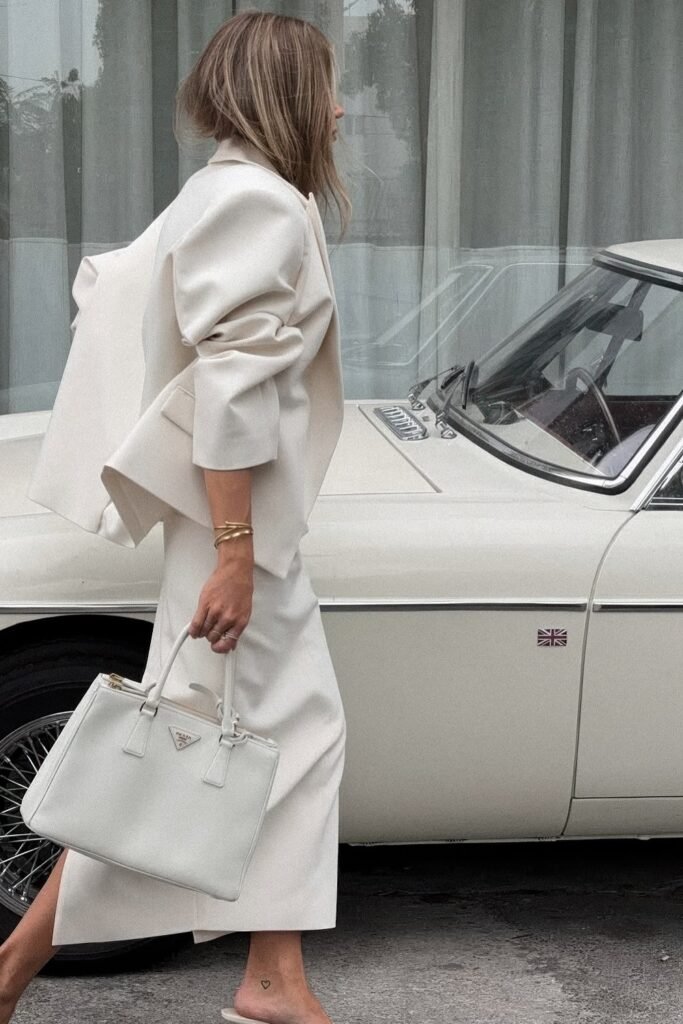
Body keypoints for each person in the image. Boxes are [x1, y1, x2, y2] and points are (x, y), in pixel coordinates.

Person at [0, 11, 350, 1024]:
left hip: (239, 531)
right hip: (237, 533)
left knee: (259, 742)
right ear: (288, 97)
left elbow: (116, 300)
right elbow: (226, 395)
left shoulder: (224, 192)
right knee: (202, 745)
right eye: (325, 88)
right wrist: (235, 556)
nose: (338, 108)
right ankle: (23, 964)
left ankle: (273, 976)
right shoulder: (260, 206)